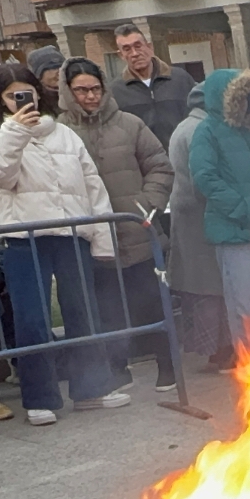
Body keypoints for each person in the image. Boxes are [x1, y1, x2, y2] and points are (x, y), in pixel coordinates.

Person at [0, 61, 127, 425]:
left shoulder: (65, 134)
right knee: (31, 319)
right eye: (11, 95)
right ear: (0, 100)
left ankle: (91, 389)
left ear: (38, 91)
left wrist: (101, 238)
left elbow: (92, 184)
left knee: (83, 311)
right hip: (24, 237)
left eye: (27, 91)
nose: (21, 99)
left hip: (71, 233)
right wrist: (15, 132)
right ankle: (39, 398)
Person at [58, 57, 176, 393]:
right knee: (105, 308)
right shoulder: (59, 133)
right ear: (68, 92)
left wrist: (147, 204)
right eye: (81, 90)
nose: (90, 96)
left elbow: (160, 166)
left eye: (95, 88)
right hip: (93, 238)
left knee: (153, 302)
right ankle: (116, 369)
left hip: (137, 230)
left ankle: (167, 367)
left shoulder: (130, 124)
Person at [189, 68, 250, 355]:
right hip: (234, 233)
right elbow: (205, 178)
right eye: (242, 97)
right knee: (243, 306)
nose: (248, 103)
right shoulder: (205, 132)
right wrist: (243, 210)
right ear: (228, 99)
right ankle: (249, 368)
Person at [166, 82, 232, 371]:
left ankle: (214, 349)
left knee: (201, 285)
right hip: (201, 217)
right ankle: (219, 350)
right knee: (210, 286)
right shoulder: (199, 131)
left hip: (189, 216)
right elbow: (205, 179)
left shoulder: (185, 126)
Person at [110, 24, 195, 152]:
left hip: (185, 157)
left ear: (149, 47)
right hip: (148, 165)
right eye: (127, 49)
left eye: (138, 46)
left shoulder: (180, 79)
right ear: (121, 55)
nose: (134, 53)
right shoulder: (116, 91)